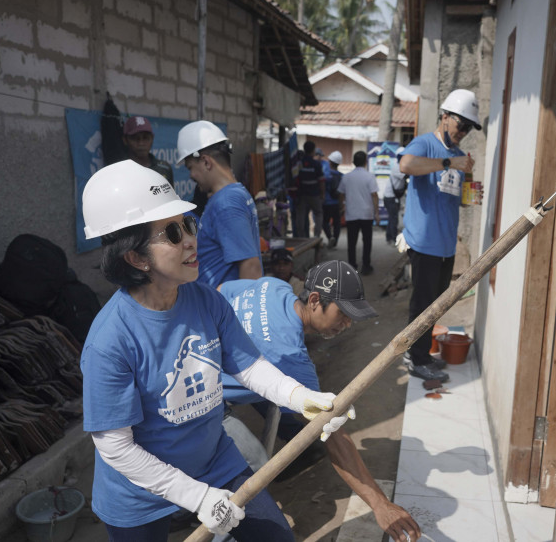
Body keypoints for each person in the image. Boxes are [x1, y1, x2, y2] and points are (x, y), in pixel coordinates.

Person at [79, 161, 352, 541]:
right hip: (137, 492)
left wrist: (302, 397)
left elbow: (249, 367)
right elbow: (117, 448)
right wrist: (196, 496)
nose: (191, 240)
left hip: (213, 462)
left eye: (189, 224)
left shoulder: (206, 300)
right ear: (136, 257)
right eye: (172, 233)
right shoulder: (110, 340)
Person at [219, 261, 421, 542]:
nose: (347, 324)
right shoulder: (292, 359)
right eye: (343, 314)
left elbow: (221, 289)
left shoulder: (274, 287)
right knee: (254, 469)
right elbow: (334, 437)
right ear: (315, 300)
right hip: (208, 405)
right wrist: (380, 504)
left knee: (278, 403)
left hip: (207, 369)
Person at [398, 89, 482, 383]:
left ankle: (419, 352)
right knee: (421, 306)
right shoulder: (425, 143)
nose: (463, 132)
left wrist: (470, 189)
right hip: (424, 243)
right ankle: (416, 358)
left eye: (469, 128)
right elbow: (405, 165)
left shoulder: (459, 156)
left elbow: (457, 199)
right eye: (461, 124)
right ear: (445, 117)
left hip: (446, 245)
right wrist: (448, 163)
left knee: (435, 306)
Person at [176, 120, 262, 286]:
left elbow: (250, 267)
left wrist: (243, 311)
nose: (191, 175)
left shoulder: (227, 203)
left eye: (190, 167)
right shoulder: (233, 194)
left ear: (206, 162)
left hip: (225, 308)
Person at [338, 151, 379, 275]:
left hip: (352, 214)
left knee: (352, 241)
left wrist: (342, 207)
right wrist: (376, 212)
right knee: (367, 241)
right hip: (366, 214)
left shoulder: (346, 177)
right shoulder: (370, 177)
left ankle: (351, 266)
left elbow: (340, 194)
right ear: (365, 162)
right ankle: (366, 265)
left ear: (353, 162)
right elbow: (374, 195)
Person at [122, 116, 174, 185]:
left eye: (145, 138)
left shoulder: (164, 168)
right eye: (135, 138)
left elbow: (170, 196)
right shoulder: (120, 171)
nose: (141, 143)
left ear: (152, 138)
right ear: (125, 140)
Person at [296, 141, 325, 239]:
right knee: (318, 213)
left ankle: (301, 236)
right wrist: (322, 194)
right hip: (314, 194)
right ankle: (316, 236)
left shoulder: (299, 163)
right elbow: (321, 181)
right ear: (313, 151)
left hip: (302, 194)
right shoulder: (316, 164)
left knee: (301, 215)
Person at [383, 147, 407, 244]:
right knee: (393, 218)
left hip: (393, 197)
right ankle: (392, 238)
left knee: (392, 217)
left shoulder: (401, 166)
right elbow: (408, 175)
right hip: (390, 197)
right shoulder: (397, 167)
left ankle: (389, 237)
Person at [322, 151, 344, 248]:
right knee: (337, 223)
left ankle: (330, 237)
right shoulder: (342, 176)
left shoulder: (325, 175)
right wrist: (342, 205)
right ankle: (335, 242)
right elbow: (343, 192)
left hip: (326, 202)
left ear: (330, 162)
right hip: (337, 203)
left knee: (324, 221)